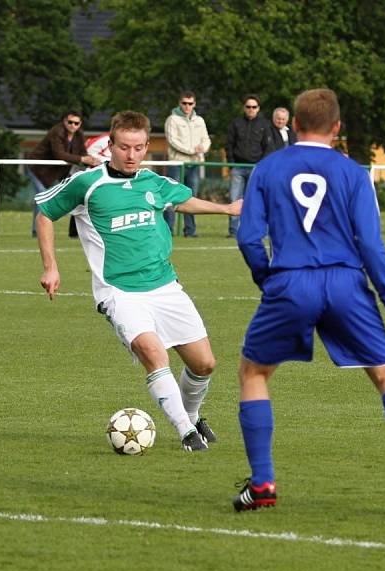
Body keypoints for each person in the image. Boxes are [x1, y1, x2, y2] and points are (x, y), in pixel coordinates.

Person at [235, 88, 385, 515]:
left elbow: (249, 236)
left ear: (294, 124)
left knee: (254, 372)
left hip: (290, 282)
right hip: (346, 282)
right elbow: (370, 242)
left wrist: (268, 279)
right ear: (337, 128)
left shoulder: (268, 168)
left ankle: (262, 483)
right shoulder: (352, 172)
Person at [35, 110, 241, 452]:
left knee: (204, 363)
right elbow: (45, 214)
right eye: (125, 147)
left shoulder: (153, 182)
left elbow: (182, 200)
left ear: (147, 147)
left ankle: (191, 416)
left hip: (165, 286)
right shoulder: (88, 183)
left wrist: (227, 210)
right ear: (110, 145)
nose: (132, 156)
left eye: (140, 148)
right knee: (152, 351)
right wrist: (51, 266)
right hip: (119, 292)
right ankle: (186, 433)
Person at [26, 111, 100, 237]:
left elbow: (82, 152)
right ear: (64, 121)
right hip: (37, 168)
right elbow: (59, 154)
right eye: (70, 122)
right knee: (42, 198)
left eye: (76, 123)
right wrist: (83, 159)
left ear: (80, 124)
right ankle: (37, 231)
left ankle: (42, 230)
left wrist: (92, 160)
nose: (73, 125)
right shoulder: (57, 131)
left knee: (49, 198)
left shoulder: (78, 135)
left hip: (53, 172)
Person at [163, 91, 211, 238]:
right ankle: (168, 230)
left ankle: (190, 231)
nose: (187, 106)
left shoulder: (200, 120)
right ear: (179, 103)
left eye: (190, 103)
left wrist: (204, 148)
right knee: (172, 197)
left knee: (191, 198)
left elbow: (206, 139)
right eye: (184, 103)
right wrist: (191, 151)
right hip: (177, 163)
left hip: (194, 164)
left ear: (194, 104)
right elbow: (172, 140)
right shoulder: (172, 119)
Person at [225, 94, 274, 237]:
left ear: (258, 109)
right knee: (234, 199)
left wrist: (261, 168)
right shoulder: (236, 123)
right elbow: (229, 145)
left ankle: (255, 231)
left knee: (256, 201)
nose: (251, 109)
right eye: (248, 107)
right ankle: (234, 231)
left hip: (255, 169)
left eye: (254, 107)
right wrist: (232, 165)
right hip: (238, 168)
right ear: (244, 108)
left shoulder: (265, 125)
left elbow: (268, 147)